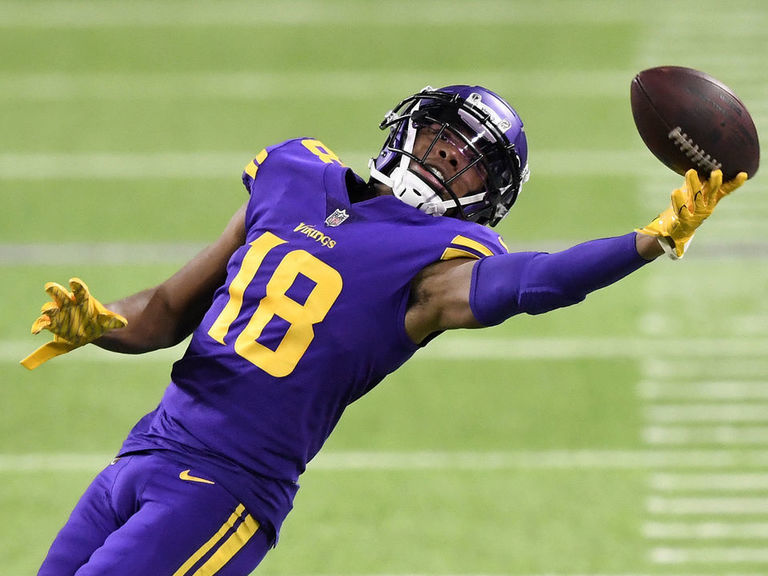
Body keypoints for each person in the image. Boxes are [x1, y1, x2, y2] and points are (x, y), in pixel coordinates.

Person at [23, 84, 747, 576]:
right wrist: (101, 324)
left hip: (225, 487)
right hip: (145, 449)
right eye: (443, 139)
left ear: (483, 202)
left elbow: (539, 282)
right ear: (408, 125)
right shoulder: (293, 175)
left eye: (469, 165)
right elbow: (168, 310)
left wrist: (653, 238)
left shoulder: (431, 272)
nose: (446, 160)